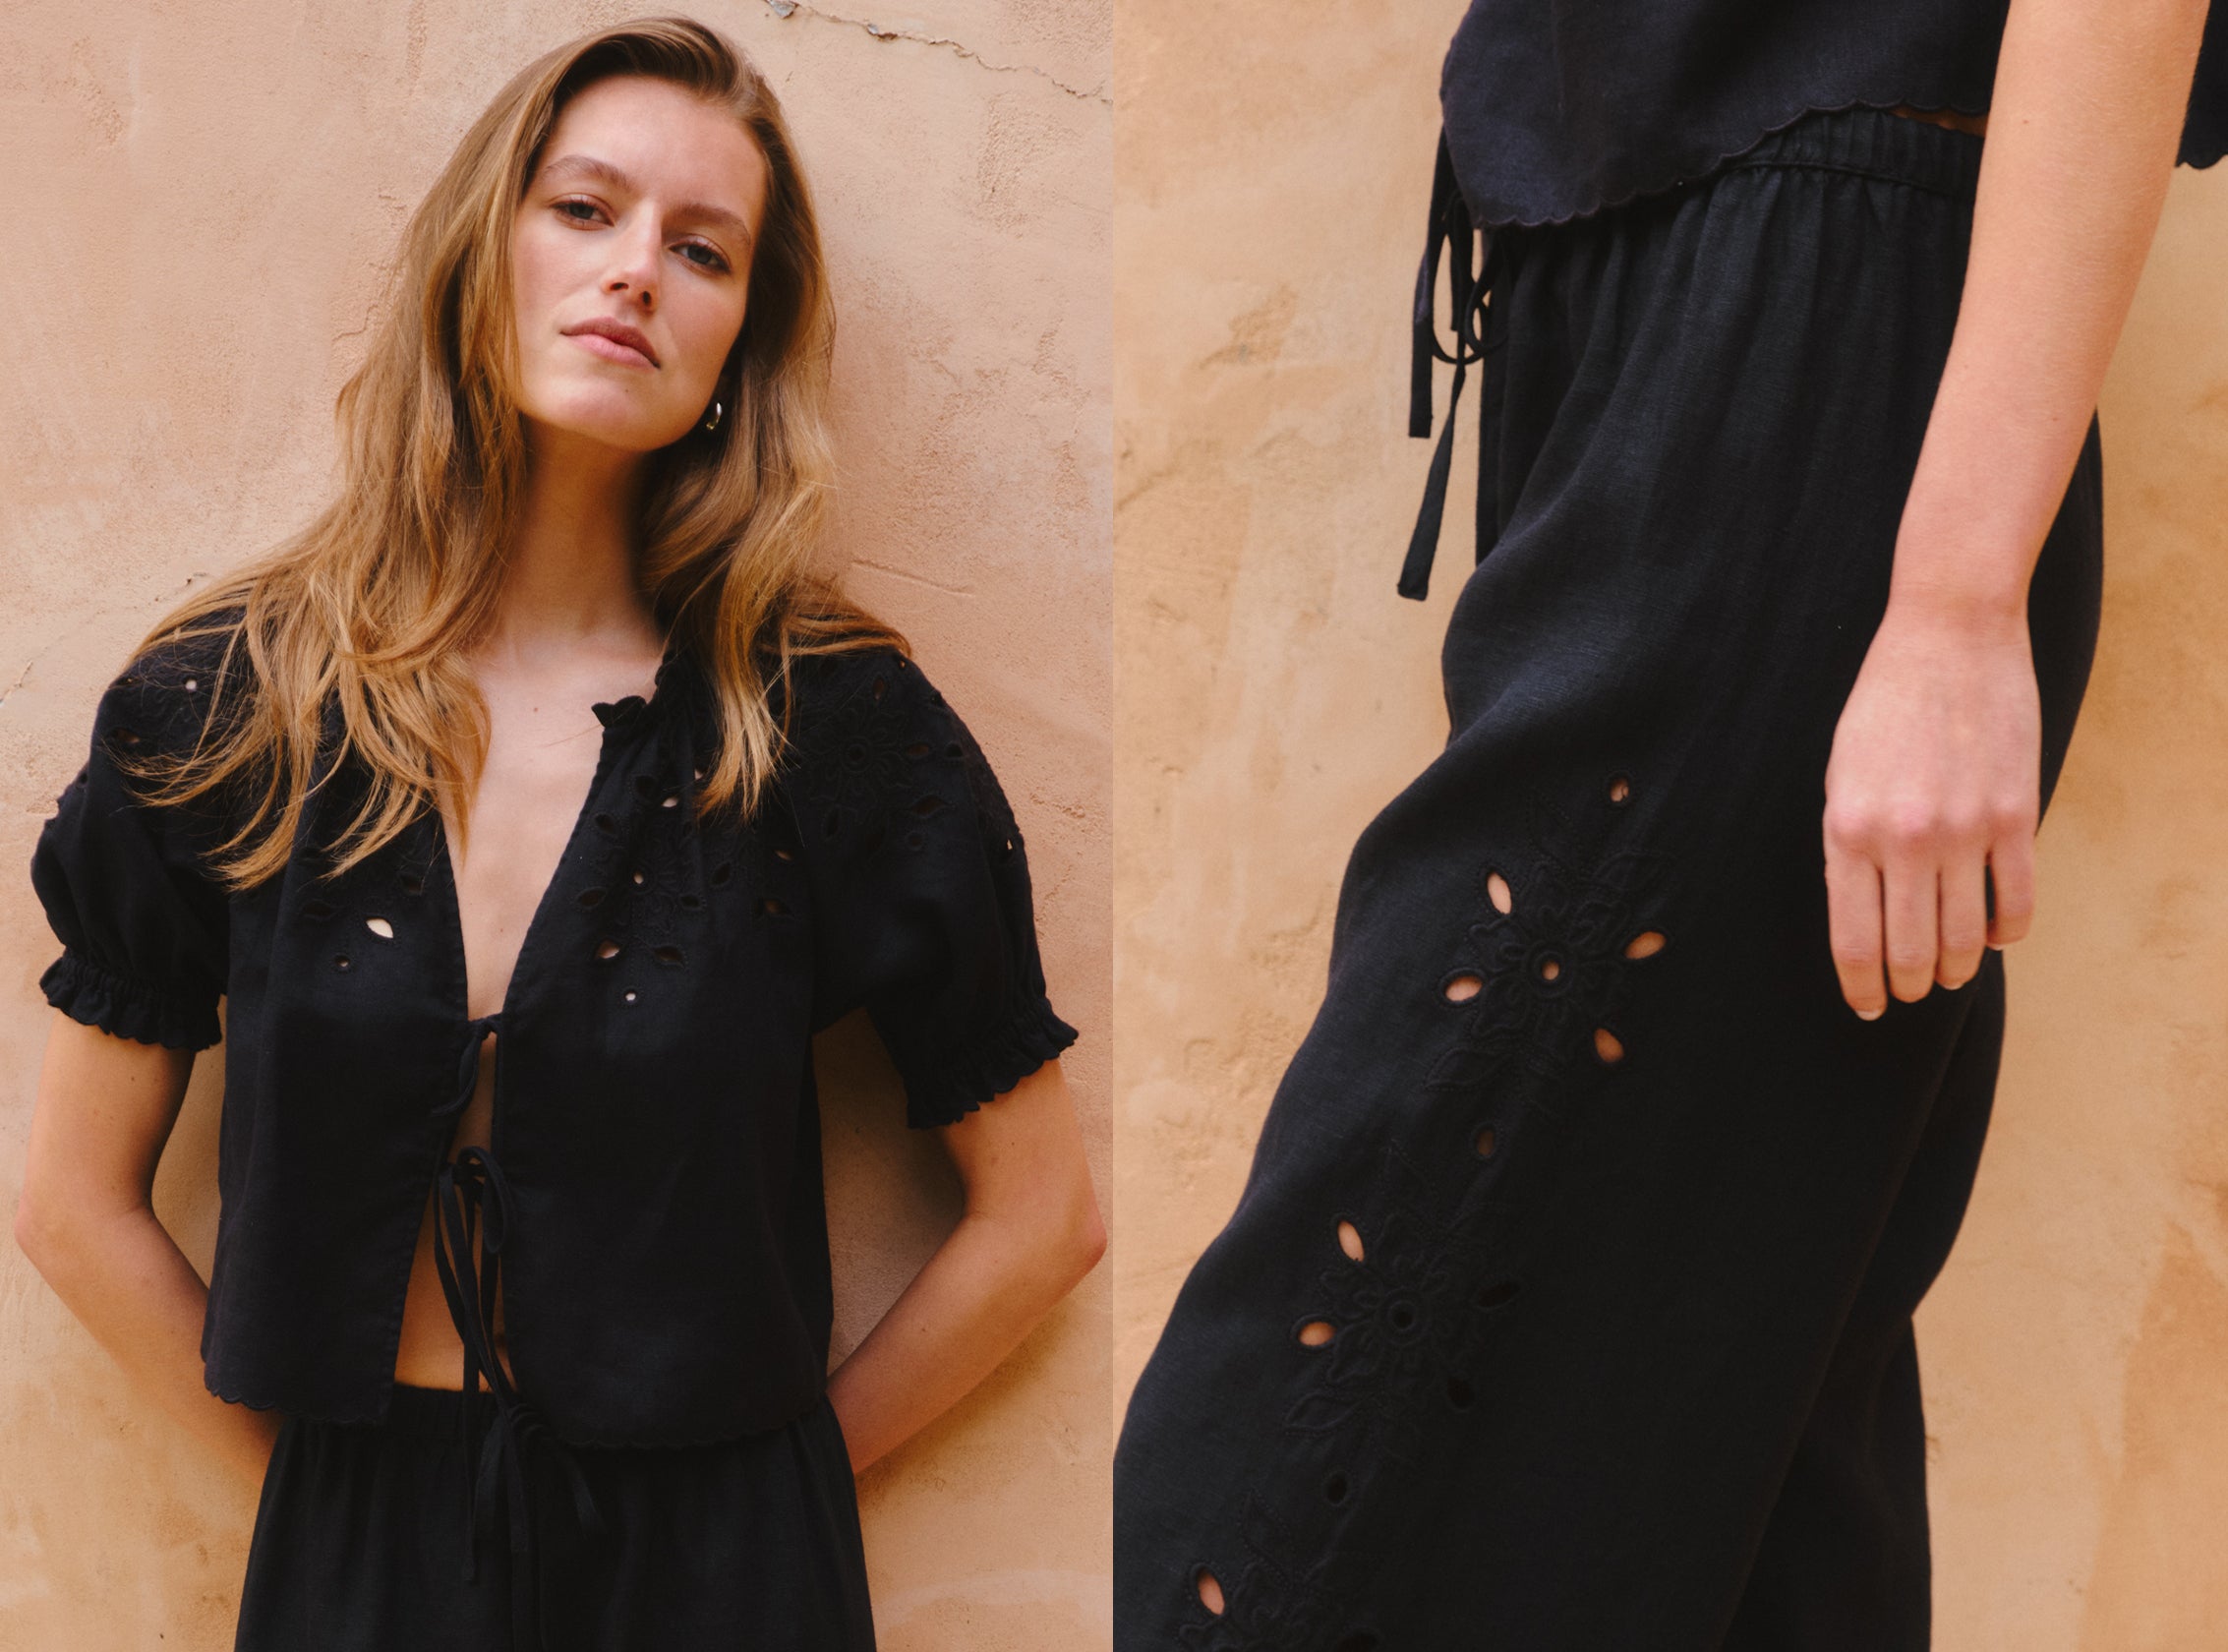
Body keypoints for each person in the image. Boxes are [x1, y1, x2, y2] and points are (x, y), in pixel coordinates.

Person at [1115, 0, 2224, 1647]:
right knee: (1756, 1474)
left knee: (1287, 1464)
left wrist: (1952, 599)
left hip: (1823, 332)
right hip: (1614, 301)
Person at [12, 18, 1103, 1650]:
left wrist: (773, 1498)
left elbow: (1043, 1220)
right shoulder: (225, 703)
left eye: (703, 249)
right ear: (480, 248)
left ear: (742, 335)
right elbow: (70, 1204)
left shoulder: (826, 725)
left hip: (731, 1560)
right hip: (359, 1537)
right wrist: (333, 1513)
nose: (636, 275)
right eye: (582, 210)